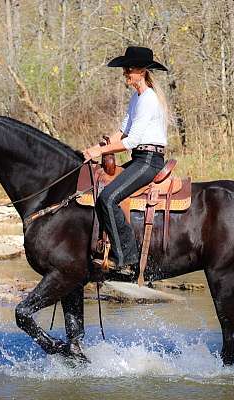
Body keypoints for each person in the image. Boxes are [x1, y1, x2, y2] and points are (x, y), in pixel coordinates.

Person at [82, 46, 169, 269]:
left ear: (142, 71)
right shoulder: (136, 98)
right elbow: (122, 132)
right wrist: (94, 147)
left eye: (128, 69)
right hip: (140, 157)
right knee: (102, 190)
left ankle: (128, 258)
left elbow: (131, 141)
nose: (125, 73)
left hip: (148, 160)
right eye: (125, 69)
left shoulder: (148, 99)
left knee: (108, 198)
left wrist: (99, 152)